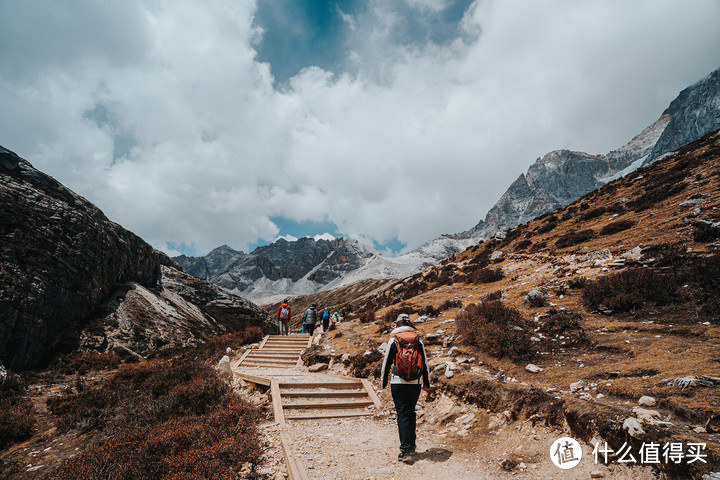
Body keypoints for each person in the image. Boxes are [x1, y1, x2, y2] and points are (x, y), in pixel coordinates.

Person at [381, 313, 430, 463]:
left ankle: (405, 450)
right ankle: (412, 445)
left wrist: (383, 382)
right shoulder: (417, 341)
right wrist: (427, 383)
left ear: (397, 325)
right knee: (411, 412)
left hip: (398, 382)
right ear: (410, 324)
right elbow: (425, 363)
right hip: (415, 383)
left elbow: (386, 363)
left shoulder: (393, 341)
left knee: (402, 414)